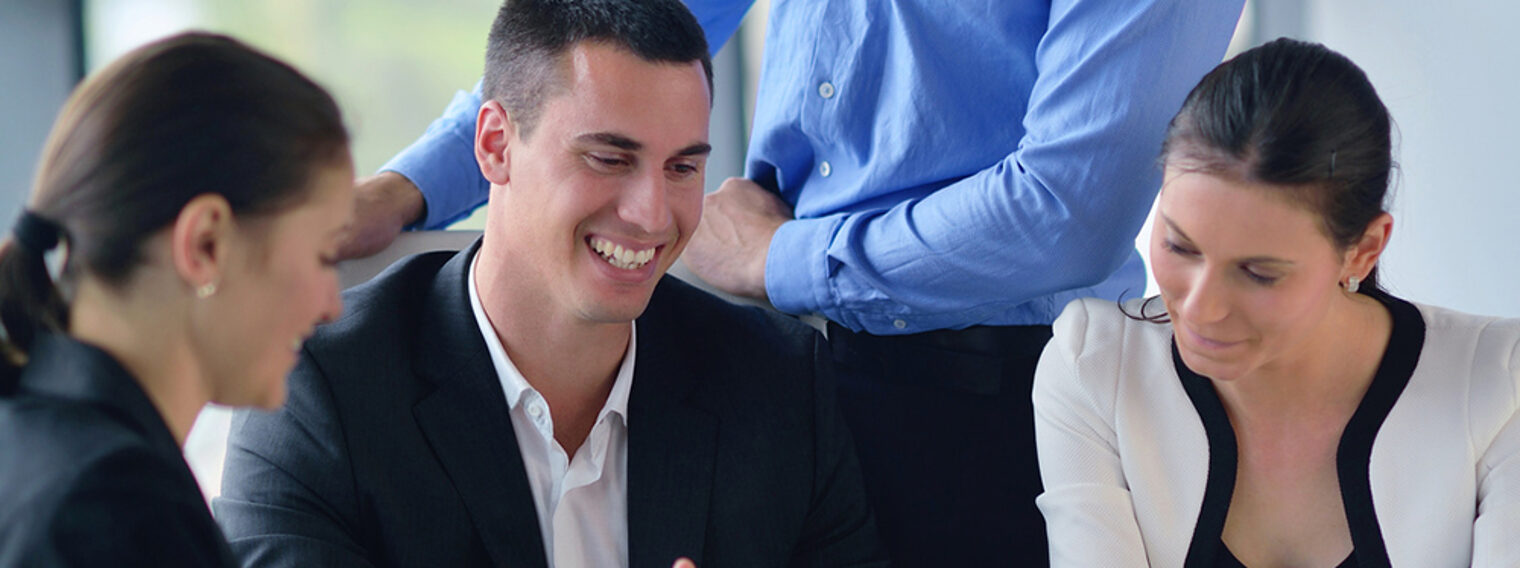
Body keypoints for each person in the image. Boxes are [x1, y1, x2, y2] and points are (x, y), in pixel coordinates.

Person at [338, 1, 1246, 563]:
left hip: (994, 413)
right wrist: (412, 185)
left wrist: (779, 261)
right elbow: (598, 28)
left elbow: (1070, 209)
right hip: (772, 372)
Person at [213, 1, 886, 567]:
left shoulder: (778, 386)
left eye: (683, 168)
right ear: (496, 146)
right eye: (608, 158)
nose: (653, 215)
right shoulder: (318, 388)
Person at [1033, 37, 1520, 567]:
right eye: (1179, 245)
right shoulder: (1094, 367)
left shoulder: (1500, 381)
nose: (1200, 307)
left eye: (1258, 273)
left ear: (1363, 251)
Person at [0, 33, 353, 567]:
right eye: (325, 256)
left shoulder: (39, 442)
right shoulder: (111, 511)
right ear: (206, 243)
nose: (334, 306)